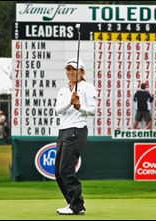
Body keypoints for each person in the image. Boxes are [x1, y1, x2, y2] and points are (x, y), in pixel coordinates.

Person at [55, 58, 97, 215]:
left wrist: (79, 106)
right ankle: (73, 204)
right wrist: (69, 102)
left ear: (82, 72)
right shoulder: (63, 90)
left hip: (77, 130)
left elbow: (92, 110)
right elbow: (58, 110)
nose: (71, 72)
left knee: (65, 169)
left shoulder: (88, 88)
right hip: (63, 131)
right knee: (58, 173)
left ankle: (77, 205)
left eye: (74, 69)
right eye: (69, 69)